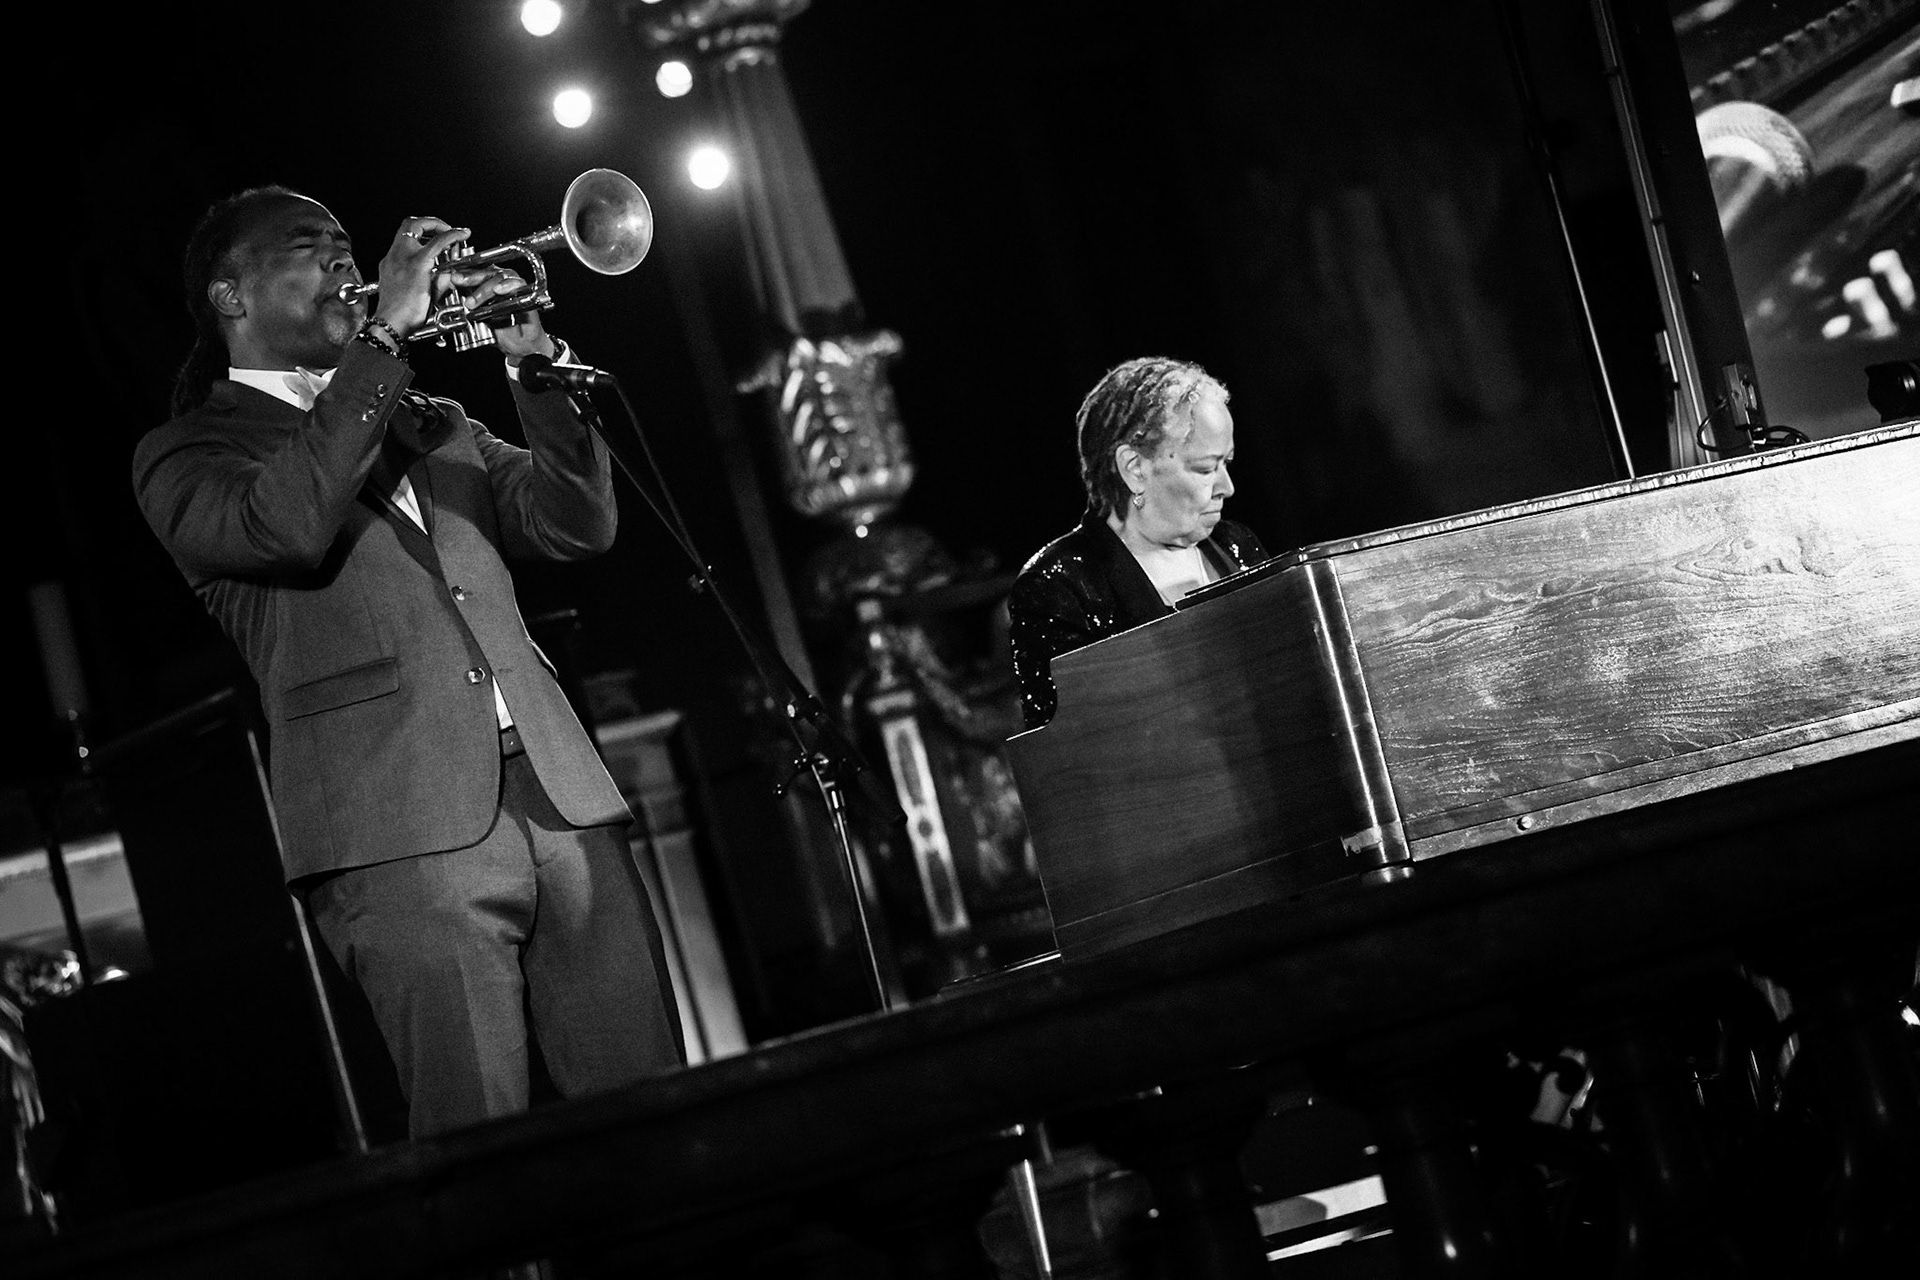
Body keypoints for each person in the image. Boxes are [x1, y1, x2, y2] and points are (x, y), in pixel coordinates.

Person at [132, 186, 683, 1139]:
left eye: (350, 246)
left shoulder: (426, 418)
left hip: (559, 799)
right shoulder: (186, 455)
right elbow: (289, 524)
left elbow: (574, 522)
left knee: (659, 1129)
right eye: (313, 249)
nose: (347, 265)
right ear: (230, 296)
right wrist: (383, 340)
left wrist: (530, 357)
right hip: (397, 833)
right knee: (480, 1154)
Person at [1007, 357, 1268, 730]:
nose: (1227, 488)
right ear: (1134, 468)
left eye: (1226, 463)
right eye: (1205, 469)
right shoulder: (1058, 585)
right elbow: (1070, 751)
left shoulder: (1238, 545)